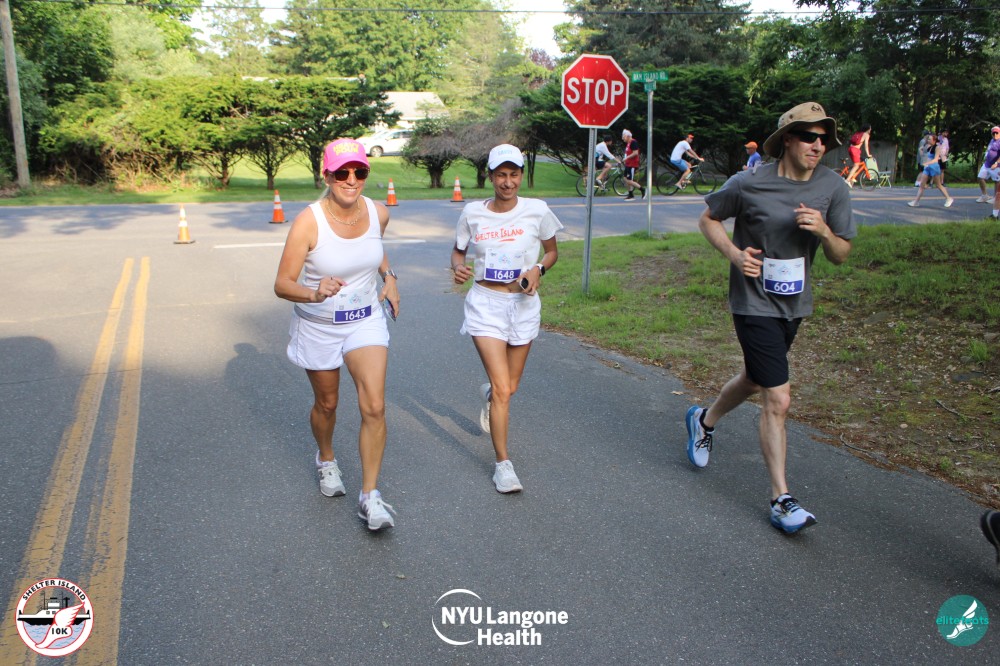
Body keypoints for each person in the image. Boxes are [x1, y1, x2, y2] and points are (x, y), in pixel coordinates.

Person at [687, 102, 856, 534]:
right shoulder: (749, 182)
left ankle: (703, 420)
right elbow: (708, 219)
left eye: (824, 139)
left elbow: (841, 254)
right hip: (752, 301)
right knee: (778, 398)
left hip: (794, 304)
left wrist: (824, 231)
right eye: (809, 137)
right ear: (787, 140)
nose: (818, 146)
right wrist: (734, 254)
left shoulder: (833, 187)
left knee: (756, 378)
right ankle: (782, 499)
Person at [274, 138, 400, 531]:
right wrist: (314, 293)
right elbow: (282, 283)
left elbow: (375, 249)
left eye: (359, 172)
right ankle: (326, 458)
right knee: (327, 404)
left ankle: (369, 496)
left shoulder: (378, 213)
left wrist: (390, 276)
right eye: (342, 172)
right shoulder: (309, 222)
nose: (351, 179)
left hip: (365, 319)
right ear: (327, 175)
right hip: (320, 326)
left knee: (374, 406)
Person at [450, 144, 562, 493]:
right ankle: (503, 464)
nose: (508, 182)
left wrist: (538, 269)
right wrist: (458, 268)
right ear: (490, 176)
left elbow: (552, 251)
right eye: (501, 175)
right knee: (502, 389)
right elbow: (458, 251)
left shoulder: (537, 210)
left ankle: (491, 397)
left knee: (509, 388)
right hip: (486, 305)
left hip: (524, 305)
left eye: (514, 174)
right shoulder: (472, 213)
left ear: (521, 176)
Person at [907, 132, 954, 208]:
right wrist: (921, 151)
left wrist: (927, 163)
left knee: (938, 185)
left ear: (934, 140)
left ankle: (949, 198)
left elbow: (935, 159)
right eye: (928, 139)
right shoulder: (929, 147)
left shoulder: (937, 147)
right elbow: (923, 153)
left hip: (934, 168)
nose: (928, 140)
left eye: (929, 139)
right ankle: (916, 202)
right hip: (928, 168)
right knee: (922, 185)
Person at [978, 126, 1000, 218]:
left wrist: (996, 163)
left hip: (996, 166)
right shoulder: (992, 140)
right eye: (993, 133)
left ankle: (995, 198)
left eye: (997, 133)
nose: (995, 134)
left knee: (997, 182)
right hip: (987, 164)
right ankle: (985, 195)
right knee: (980, 177)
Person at [620, 129, 645, 200]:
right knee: (625, 179)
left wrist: (627, 158)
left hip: (632, 164)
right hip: (628, 164)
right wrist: (625, 159)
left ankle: (642, 189)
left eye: (624, 137)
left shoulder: (633, 142)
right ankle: (630, 194)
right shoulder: (628, 143)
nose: (623, 138)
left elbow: (635, 153)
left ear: (628, 136)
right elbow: (628, 152)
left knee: (629, 180)